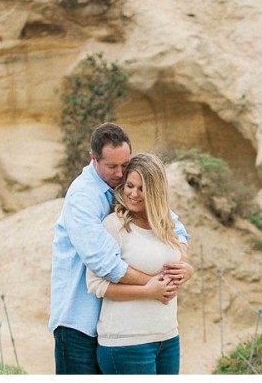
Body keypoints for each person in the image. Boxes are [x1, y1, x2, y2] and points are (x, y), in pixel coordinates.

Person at [48, 123, 194, 374]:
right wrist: (153, 285)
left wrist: (185, 264)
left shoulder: (123, 187)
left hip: (110, 321)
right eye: (112, 166)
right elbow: (104, 263)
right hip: (78, 321)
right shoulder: (84, 196)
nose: (119, 173)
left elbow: (173, 224)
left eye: (125, 165)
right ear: (94, 159)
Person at [86, 152, 186, 374]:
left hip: (168, 337)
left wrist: (186, 270)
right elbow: (96, 285)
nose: (133, 194)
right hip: (126, 342)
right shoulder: (114, 226)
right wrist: (148, 291)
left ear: (156, 191)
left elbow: (179, 258)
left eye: (142, 188)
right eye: (130, 185)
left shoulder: (167, 224)